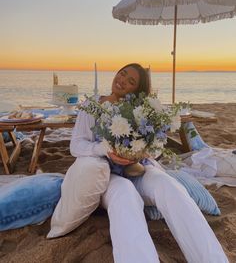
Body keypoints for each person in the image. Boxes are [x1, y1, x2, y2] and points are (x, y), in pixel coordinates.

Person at [48, 63, 228, 263]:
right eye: (122, 73)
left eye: (131, 81)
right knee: (125, 195)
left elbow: (158, 145)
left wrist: (143, 150)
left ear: (137, 90)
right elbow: (77, 145)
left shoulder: (143, 110)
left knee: (170, 187)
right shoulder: (92, 106)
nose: (122, 80)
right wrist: (105, 149)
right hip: (108, 176)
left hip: (139, 168)